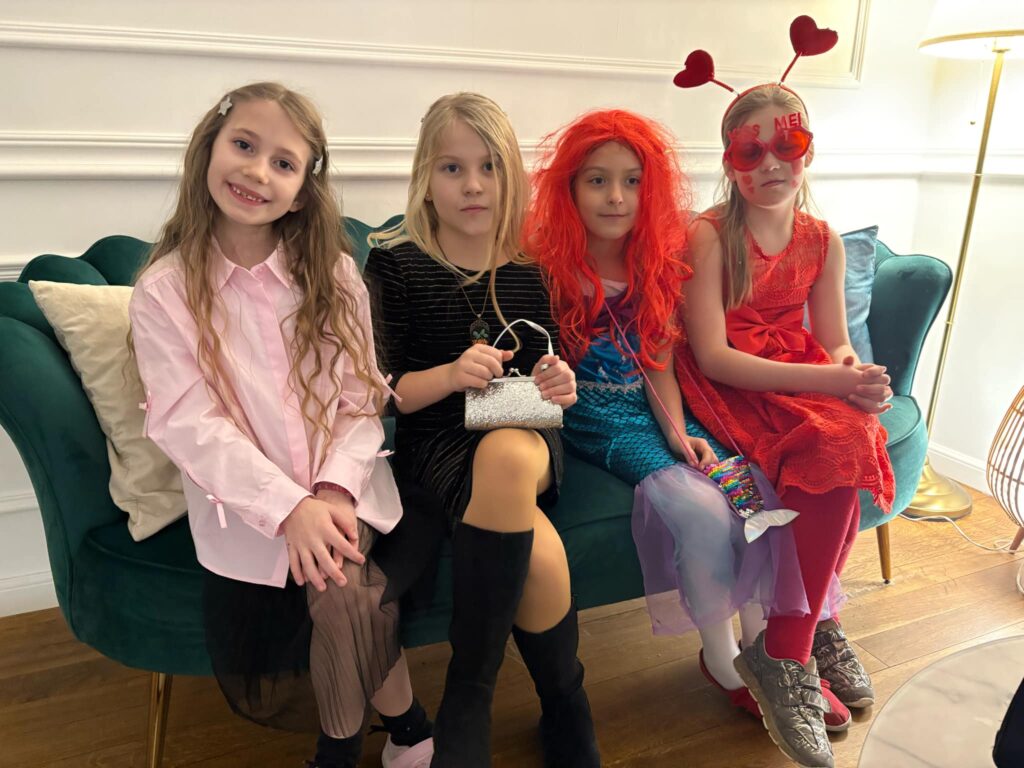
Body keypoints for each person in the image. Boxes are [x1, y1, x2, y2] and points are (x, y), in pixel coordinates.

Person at [129, 82, 432, 768]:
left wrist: (331, 490)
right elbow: (187, 423)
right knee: (348, 593)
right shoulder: (164, 292)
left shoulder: (333, 274)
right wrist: (289, 507)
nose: (257, 171)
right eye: (243, 145)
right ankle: (406, 728)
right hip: (245, 510)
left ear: (300, 192)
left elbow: (360, 400)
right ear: (209, 148)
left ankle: (343, 750)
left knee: (341, 584)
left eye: (283, 162)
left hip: (346, 489)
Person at [526, 108, 851, 736]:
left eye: (632, 181)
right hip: (591, 415)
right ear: (569, 187)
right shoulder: (548, 266)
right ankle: (722, 660)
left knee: (754, 492)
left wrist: (680, 434)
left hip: (656, 403)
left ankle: (768, 653)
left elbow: (661, 363)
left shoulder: (656, 259)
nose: (616, 197)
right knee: (701, 511)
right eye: (597, 180)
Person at [364, 92, 600, 768]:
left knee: (505, 453)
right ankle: (565, 704)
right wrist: (449, 374)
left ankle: (469, 695)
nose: (473, 185)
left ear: (510, 176)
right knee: (540, 553)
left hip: (525, 433)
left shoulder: (536, 263)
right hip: (437, 442)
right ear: (425, 179)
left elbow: (551, 380)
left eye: (489, 167)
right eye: (452, 168)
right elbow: (384, 394)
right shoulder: (395, 264)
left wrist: (561, 383)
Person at [678, 82, 893, 768]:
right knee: (833, 439)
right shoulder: (710, 236)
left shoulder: (821, 239)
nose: (771, 162)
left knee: (858, 431)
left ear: (809, 150)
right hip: (732, 381)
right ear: (730, 160)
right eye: (751, 151)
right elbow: (713, 356)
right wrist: (832, 383)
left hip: (798, 370)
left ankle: (812, 624)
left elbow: (833, 342)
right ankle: (790, 650)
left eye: (788, 144)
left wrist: (856, 375)